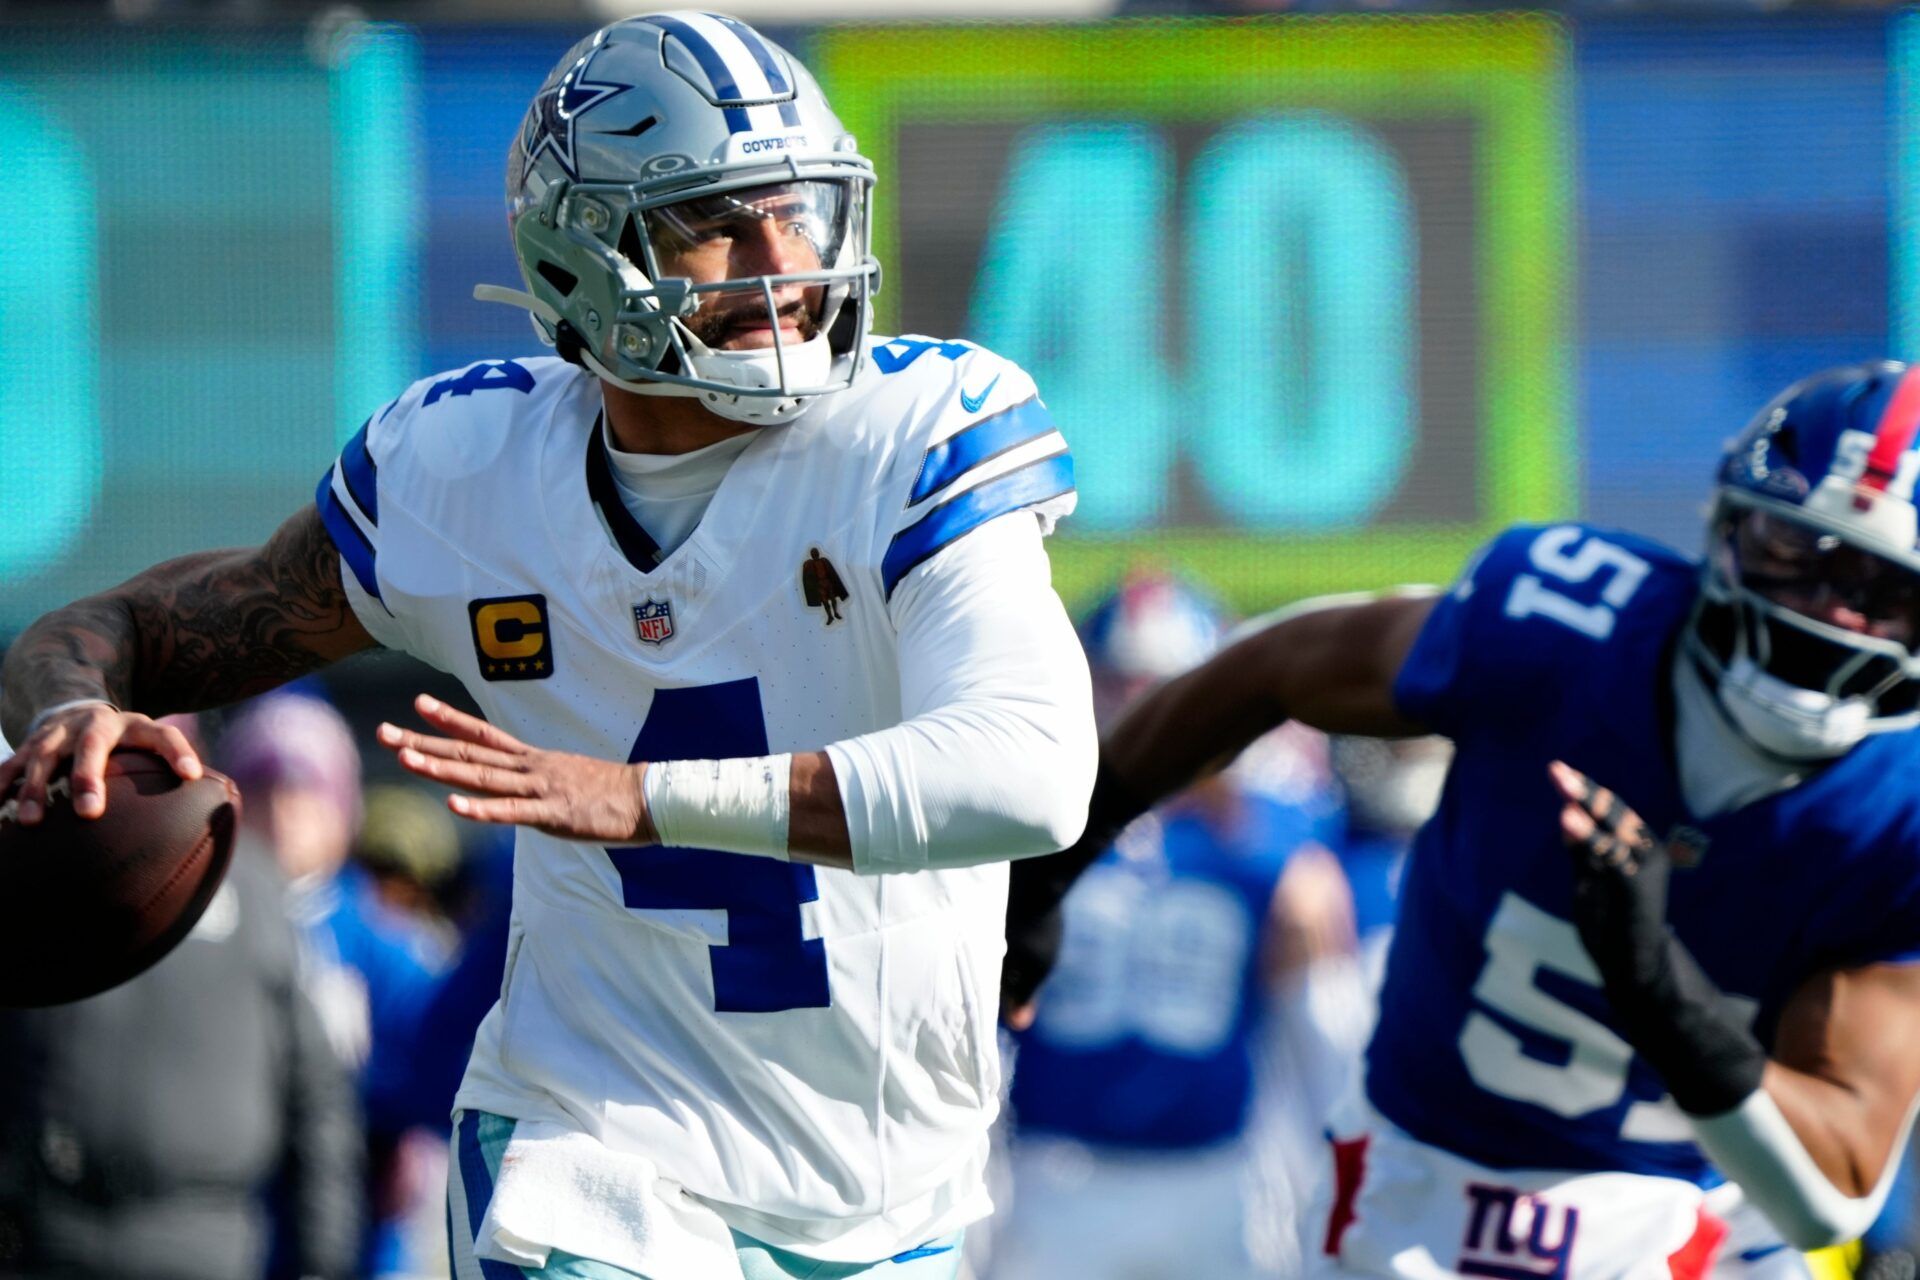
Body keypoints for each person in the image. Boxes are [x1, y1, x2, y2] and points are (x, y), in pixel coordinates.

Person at [0, 13, 1094, 1280]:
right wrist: (67, 707)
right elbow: (128, 630)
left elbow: (1031, 770)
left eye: (799, 210)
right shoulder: (466, 473)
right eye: (716, 221)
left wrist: (635, 796)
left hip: (887, 1193)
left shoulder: (913, 435)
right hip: (591, 1153)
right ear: (586, 259)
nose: (784, 261)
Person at [1003, 360, 1920, 1275]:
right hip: (1423, 1198)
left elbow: (1829, 1190)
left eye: (1884, 588)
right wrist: (1057, 863)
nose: (1829, 611)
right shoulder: (1566, 623)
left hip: (1694, 1223)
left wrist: (1657, 990)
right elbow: (1272, 666)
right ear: (1728, 524)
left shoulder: (1895, 805)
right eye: (1800, 553)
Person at [991, 575, 1342, 1280]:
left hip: (1215, 1174)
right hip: (1054, 1172)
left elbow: (1324, 1035)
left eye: (1160, 683)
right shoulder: (1028, 826)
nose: (1138, 703)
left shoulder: (1274, 840)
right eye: (1118, 682)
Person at [0, 726, 363, 1280]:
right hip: (47, 1230)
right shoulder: (36, 869)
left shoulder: (253, 882)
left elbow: (317, 1092)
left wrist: (324, 1255)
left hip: (206, 1234)